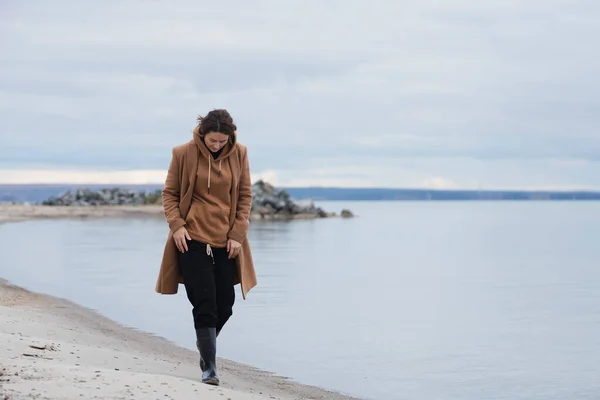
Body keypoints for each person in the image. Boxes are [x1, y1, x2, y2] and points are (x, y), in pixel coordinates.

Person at [154, 109, 258, 386]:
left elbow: (246, 195)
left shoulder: (240, 153)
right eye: (212, 141)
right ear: (202, 134)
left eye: (221, 142)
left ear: (230, 137)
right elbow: (170, 193)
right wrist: (177, 226)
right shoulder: (183, 153)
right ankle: (210, 368)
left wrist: (238, 234)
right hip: (191, 239)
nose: (216, 146)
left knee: (226, 304)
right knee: (205, 303)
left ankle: (204, 346)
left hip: (227, 241)